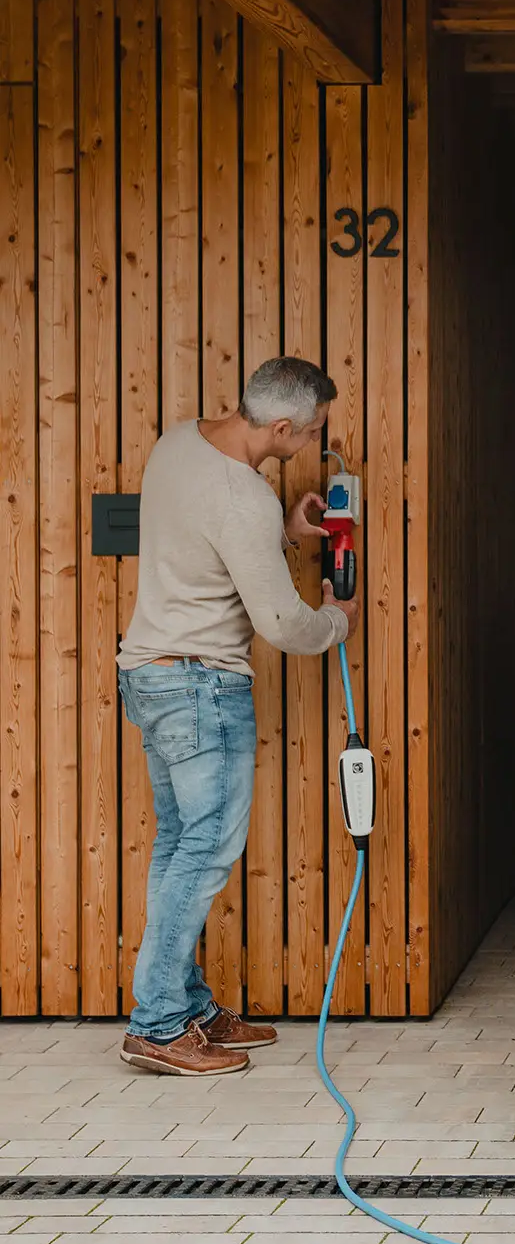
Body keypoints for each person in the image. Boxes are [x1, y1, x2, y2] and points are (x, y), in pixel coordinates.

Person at [116, 357, 360, 1076]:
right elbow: (284, 623)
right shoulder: (242, 500)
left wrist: (281, 530)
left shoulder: (178, 444)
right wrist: (337, 619)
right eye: (312, 432)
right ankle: (158, 1024)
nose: (314, 442)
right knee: (205, 851)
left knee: (178, 847)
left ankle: (185, 1005)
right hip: (200, 688)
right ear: (281, 426)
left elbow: (208, 549)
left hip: (148, 674)